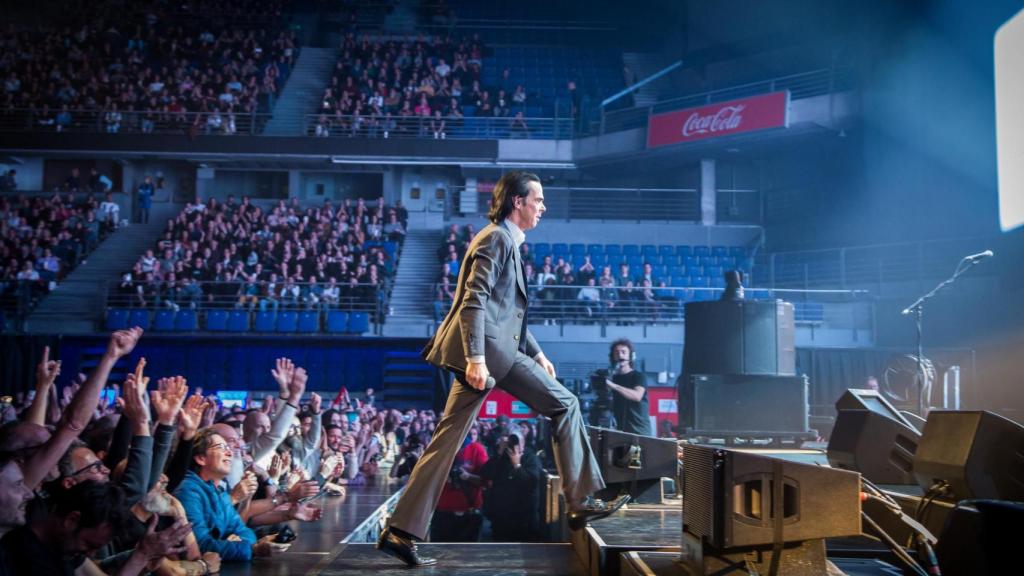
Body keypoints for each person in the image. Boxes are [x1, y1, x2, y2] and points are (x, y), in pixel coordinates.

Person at [377, 171, 628, 567]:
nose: (542, 206)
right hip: (491, 358)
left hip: (497, 352)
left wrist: (537, 351)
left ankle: (399, 531)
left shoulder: (504, 239)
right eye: (538, 199)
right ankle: (581, 501)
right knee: (565, 404)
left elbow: (504, 313)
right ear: (517, 202)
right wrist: (476, 359)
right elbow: (475, 302)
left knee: (445, 444)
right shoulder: (496, 238)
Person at [603, 339, 653, 436]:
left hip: (640, 431)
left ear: (631, 356)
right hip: (621, 431)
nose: (620, 355)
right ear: (612, 357)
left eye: (623, 352)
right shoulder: (613, 378)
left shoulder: (638, 376)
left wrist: (613, 386)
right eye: (616, 353)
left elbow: (637, 396)